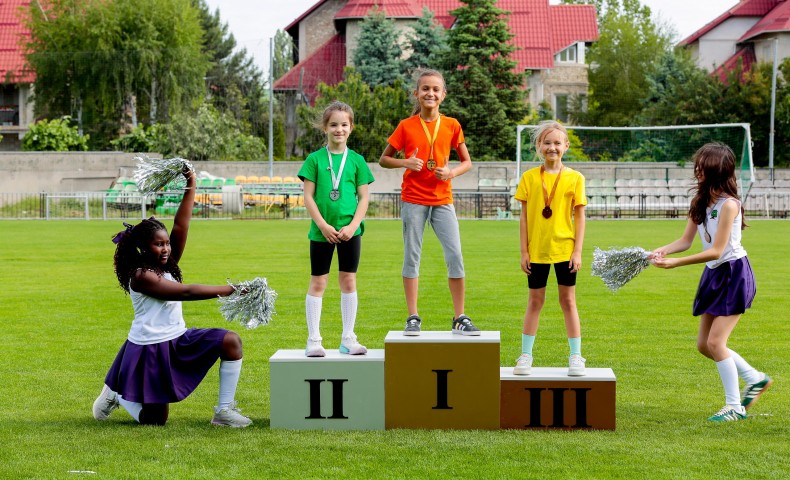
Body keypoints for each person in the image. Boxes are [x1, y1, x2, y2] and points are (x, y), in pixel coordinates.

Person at [92, 166, 252, 427]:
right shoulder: (141, 276)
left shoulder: (166, 263)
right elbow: (186, 292)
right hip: (150, 349)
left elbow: (181, 224)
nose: (166, 248)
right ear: (144, 248)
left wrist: (191, 183)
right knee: (156, 420)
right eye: (159, 244)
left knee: (230, 341)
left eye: (166, 243)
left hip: (178, 338)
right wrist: (232, 289)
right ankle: (118, 394)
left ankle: (223, 412)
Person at [650, 142, 771, 422]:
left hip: (733, 274)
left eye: (703, 166)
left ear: (718, 170)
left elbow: (717, 250)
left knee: (716, 342)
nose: (698, 171)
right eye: (698, 165)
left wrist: (675, 264)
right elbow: (685, 241)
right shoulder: (700, 201)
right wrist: (663, 251)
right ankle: (755, 378)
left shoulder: (730, 204)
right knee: (704, 345)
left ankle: (734, 407)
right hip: (714, 273)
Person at [379, 68, 479, 337]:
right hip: (413, 199)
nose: (430, 93)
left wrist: (451, 173)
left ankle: (459, 317)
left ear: (443, 95)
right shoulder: (406, 125)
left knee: (455, 256)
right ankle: (413, 317)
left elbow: (467, 162)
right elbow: (384, 159)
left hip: (443, 199)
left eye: (436, 89)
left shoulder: (452, 125)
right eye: (425, 89)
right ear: (416, 93)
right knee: (412, 257)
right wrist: (406, 162)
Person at [298, 101, 375, 357]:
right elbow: (308, 197)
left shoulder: (357, 161)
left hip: (350, 232)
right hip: (322, 232)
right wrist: (322, 225)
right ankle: (313, 340)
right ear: (325, 128)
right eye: (333, 125)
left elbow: (364, 198)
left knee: (348, 280)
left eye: (344, 124)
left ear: (351, 127)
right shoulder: (314, 160)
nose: (338, 129)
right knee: (318, 281)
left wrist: (353, 226)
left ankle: (348, 338)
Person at [513, 121, 587, 376]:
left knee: (568, 301)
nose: (552, 147)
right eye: (547, 142)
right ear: (539, 145)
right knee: (535, 301)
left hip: (565, 250)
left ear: (566, 146)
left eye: (557, 143)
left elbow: (580, 217)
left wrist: (577, 251)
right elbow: (523, 218)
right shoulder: (529, 178)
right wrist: (524, 252)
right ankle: (525, 355)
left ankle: (576, 356)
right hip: (537, 251)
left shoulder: (575, 178)